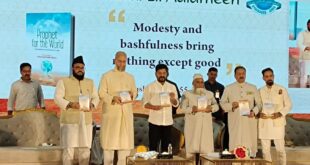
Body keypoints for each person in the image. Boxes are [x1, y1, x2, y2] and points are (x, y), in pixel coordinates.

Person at [54, 56, 99, 165]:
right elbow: (57, 98)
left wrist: (92, 105)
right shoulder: (63, 81)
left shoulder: (90, 82)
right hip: (70, 121)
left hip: (86, 121)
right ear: (73, 68)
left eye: (82, 68)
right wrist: (70, 104)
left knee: (85, 149)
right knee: (69, 150)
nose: (80, 70)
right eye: (77, 67)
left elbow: (96, 97)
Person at [98, 51, 137, 165]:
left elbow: (134, 92)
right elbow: (101, 93)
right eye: (120, 61)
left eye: (124, 61)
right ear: (115, 61)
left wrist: (132, 95)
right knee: (109, 149)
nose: (122, 64)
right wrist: (113, 98)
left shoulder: (130, 77)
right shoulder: (106, 76)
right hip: (111, 115)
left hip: (126, 115)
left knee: (124, 150)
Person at [220, 66, 262, 157]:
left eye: (243, 73)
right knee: (236, 145)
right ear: (235, 75)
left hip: (249, 120)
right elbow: (222, 103)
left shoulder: (253, 87)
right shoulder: (229, 88)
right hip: (235, 120)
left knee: (249, 145)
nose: (241, 75)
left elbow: (259, 104)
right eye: (239, 74)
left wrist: (254, 112)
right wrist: (231, 105)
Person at [180, 73, 219, 163]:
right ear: (193, 83)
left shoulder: (209, 94)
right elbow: (182, 108)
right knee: (191, 151)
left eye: (202, 82)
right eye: (198, 82)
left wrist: (211, 108)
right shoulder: (186, 94)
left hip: (206, 126)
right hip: (193, 126)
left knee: (207, 151)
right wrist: (192, 109)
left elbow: (216, 105)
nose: (200, 84)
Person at [258, 68, 292, 165]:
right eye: (267, 76)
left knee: (280, 150)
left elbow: (289, 105)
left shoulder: (281, 89)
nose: (269, 78)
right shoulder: (260, 91)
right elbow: (257, 106)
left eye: (271, 76)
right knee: (265, 151)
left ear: (274, 76)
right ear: (263, 78)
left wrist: (280, 113)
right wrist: (258, 114)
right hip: (264, 123)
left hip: (278, 123)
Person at [143, 64, 179, 152]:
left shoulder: (172, 86)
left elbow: (176, 104)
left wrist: (173, 99)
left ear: (167, 74)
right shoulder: (149, 87)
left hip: (167, 122)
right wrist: (153, 107)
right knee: (153, 148)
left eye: (164, 73)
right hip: (154, 121)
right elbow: (145, 103)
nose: (162, 75)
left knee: (166, 150)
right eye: (160, 73)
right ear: (156, 74)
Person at [204, 67, 228, 149]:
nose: (213, 76)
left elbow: (223, 101)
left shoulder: (221, 87)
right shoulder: (202, 85)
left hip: (218, 113)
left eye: (215, 75)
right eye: (211, 74)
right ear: (207, 74)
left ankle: (217, 147)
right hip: (205, 112)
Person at [297, 19, 310, 87]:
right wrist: (307, 48)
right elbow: (299, 44)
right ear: (307, 25)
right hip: (305, 58)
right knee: (304, 76)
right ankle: (302, 91)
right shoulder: (302, 33)